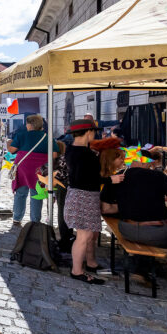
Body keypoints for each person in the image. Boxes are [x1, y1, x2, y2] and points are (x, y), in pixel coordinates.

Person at [101, 147, 167, 297]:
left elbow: (106, 209)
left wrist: (130, 204)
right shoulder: (157, 176)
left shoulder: (118, 177)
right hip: (155, 232)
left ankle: (141, 269)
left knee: (154, 229)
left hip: (127, 229)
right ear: (145, 163)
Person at [64, 119, 123, 285]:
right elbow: (88, 179)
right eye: (94, 132)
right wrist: (111, 179)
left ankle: (83, 267)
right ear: (88, 132)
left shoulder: (71, 149)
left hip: (79, 194)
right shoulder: (85, 154)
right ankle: (77, 271)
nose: (95, 134)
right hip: (84, 196)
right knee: (83, 236)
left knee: (86, 235)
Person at [8, 115, 60, 226]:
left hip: (23, 169)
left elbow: (12, 149)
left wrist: (8, 143)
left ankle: (17, 218)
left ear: (30, 124)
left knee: (21, 193)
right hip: (40, 171)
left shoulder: (21, 135)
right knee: (36, 194)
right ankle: (35, 221)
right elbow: (54, 154)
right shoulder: (47, 137)